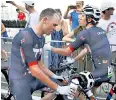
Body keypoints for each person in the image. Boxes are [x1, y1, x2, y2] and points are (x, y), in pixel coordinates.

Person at [44, 5, 112, 99]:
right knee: (86, 91)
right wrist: (74, 59)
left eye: (83, 16)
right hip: (107, 71)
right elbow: (86, 49)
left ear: (89, 19)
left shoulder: (85, 33)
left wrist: (49, 48)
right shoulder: (100, 30)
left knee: (74, 81)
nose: (79, 18)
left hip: (100, 72)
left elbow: (67, 52)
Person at [9, 8, 75, 100]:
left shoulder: (42, 39)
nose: (55, 28)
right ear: (45, 20)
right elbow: (35, 69)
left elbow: (40, 64)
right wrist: (58, 88)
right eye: (54, 25)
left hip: (32, 78)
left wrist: (55, 76)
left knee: (61, 84)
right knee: (58, 88)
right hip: (19, 81)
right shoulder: (26, 36)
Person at [97, 1, 116, 81]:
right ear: (106, 10)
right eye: (111, 8)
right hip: (110, 50)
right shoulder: (99, 24)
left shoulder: (114, 17)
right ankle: (108, 86)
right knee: (110, 71)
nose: (114, 9)